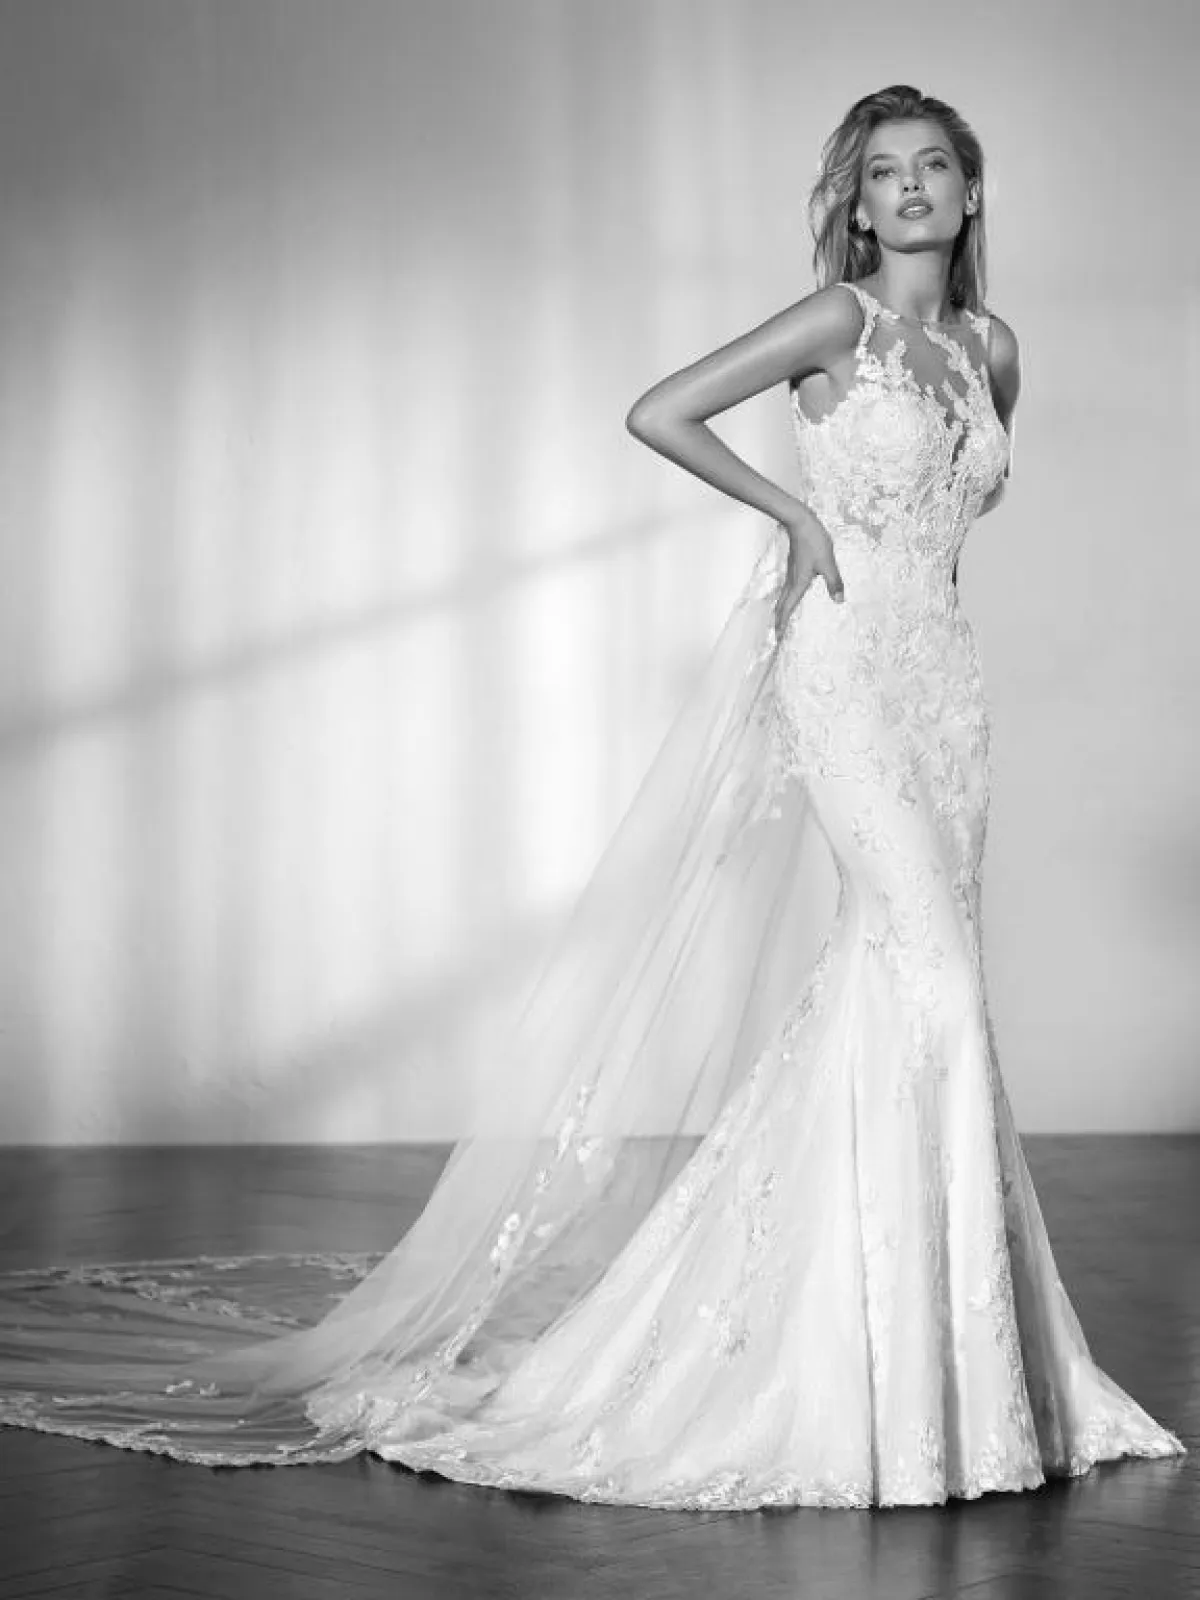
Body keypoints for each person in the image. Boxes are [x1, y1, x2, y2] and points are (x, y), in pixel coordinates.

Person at [0, 84, 1185, 1508]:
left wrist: (921, 621)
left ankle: (934, 1368)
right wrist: (798, 515)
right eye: (886, 173)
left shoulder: (992, 350)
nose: (914, 188)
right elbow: (659, 410)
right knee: (925, 975)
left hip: (946, 693)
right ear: (861, 205)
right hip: (845, 672)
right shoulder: (839, 324)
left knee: (919, 988)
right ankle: (881, 1382)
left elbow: (952, 520)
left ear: (971, 192)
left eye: (937, 166)